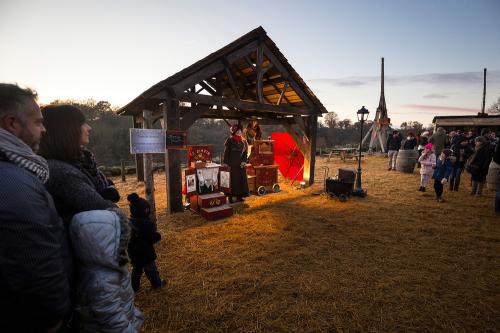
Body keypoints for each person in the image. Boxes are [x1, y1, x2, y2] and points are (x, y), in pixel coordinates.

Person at [38, 104, 143, 332]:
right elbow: (104, 206)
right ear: (65, 130)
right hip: (88, 259)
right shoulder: (62, 172)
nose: (89, 127)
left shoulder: (82, 164)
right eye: (82, 123)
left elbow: (107, 189)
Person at [0, 83, 70, 332]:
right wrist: (53, 319)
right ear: (12, 123)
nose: (44, 129)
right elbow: (34, 263)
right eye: (38, 122)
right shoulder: (14, 184)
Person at [127, 193, 166, 292]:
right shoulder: (145, 224)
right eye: (146, 209)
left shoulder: (129, 221)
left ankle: (133, 287)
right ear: (141, 211)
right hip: (145, 252)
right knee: (151, 269)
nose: (148, 211)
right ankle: (157, 284)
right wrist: (158, 236)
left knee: (136, 270)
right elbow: (152, 237)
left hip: (133, 252)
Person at [223, 124, 249, 203]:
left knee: (240, 181)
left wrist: (244, 161)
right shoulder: (230, 141)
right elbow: (226, 153)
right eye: (237, 131)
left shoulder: (243, 142)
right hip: (231, 165)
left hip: (240, 166)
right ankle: (230, 197)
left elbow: (245, 153)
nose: (239, 132)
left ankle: (239, 196)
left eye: (240, 131)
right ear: (234, 132)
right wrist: (225, 163)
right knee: (232, 181)